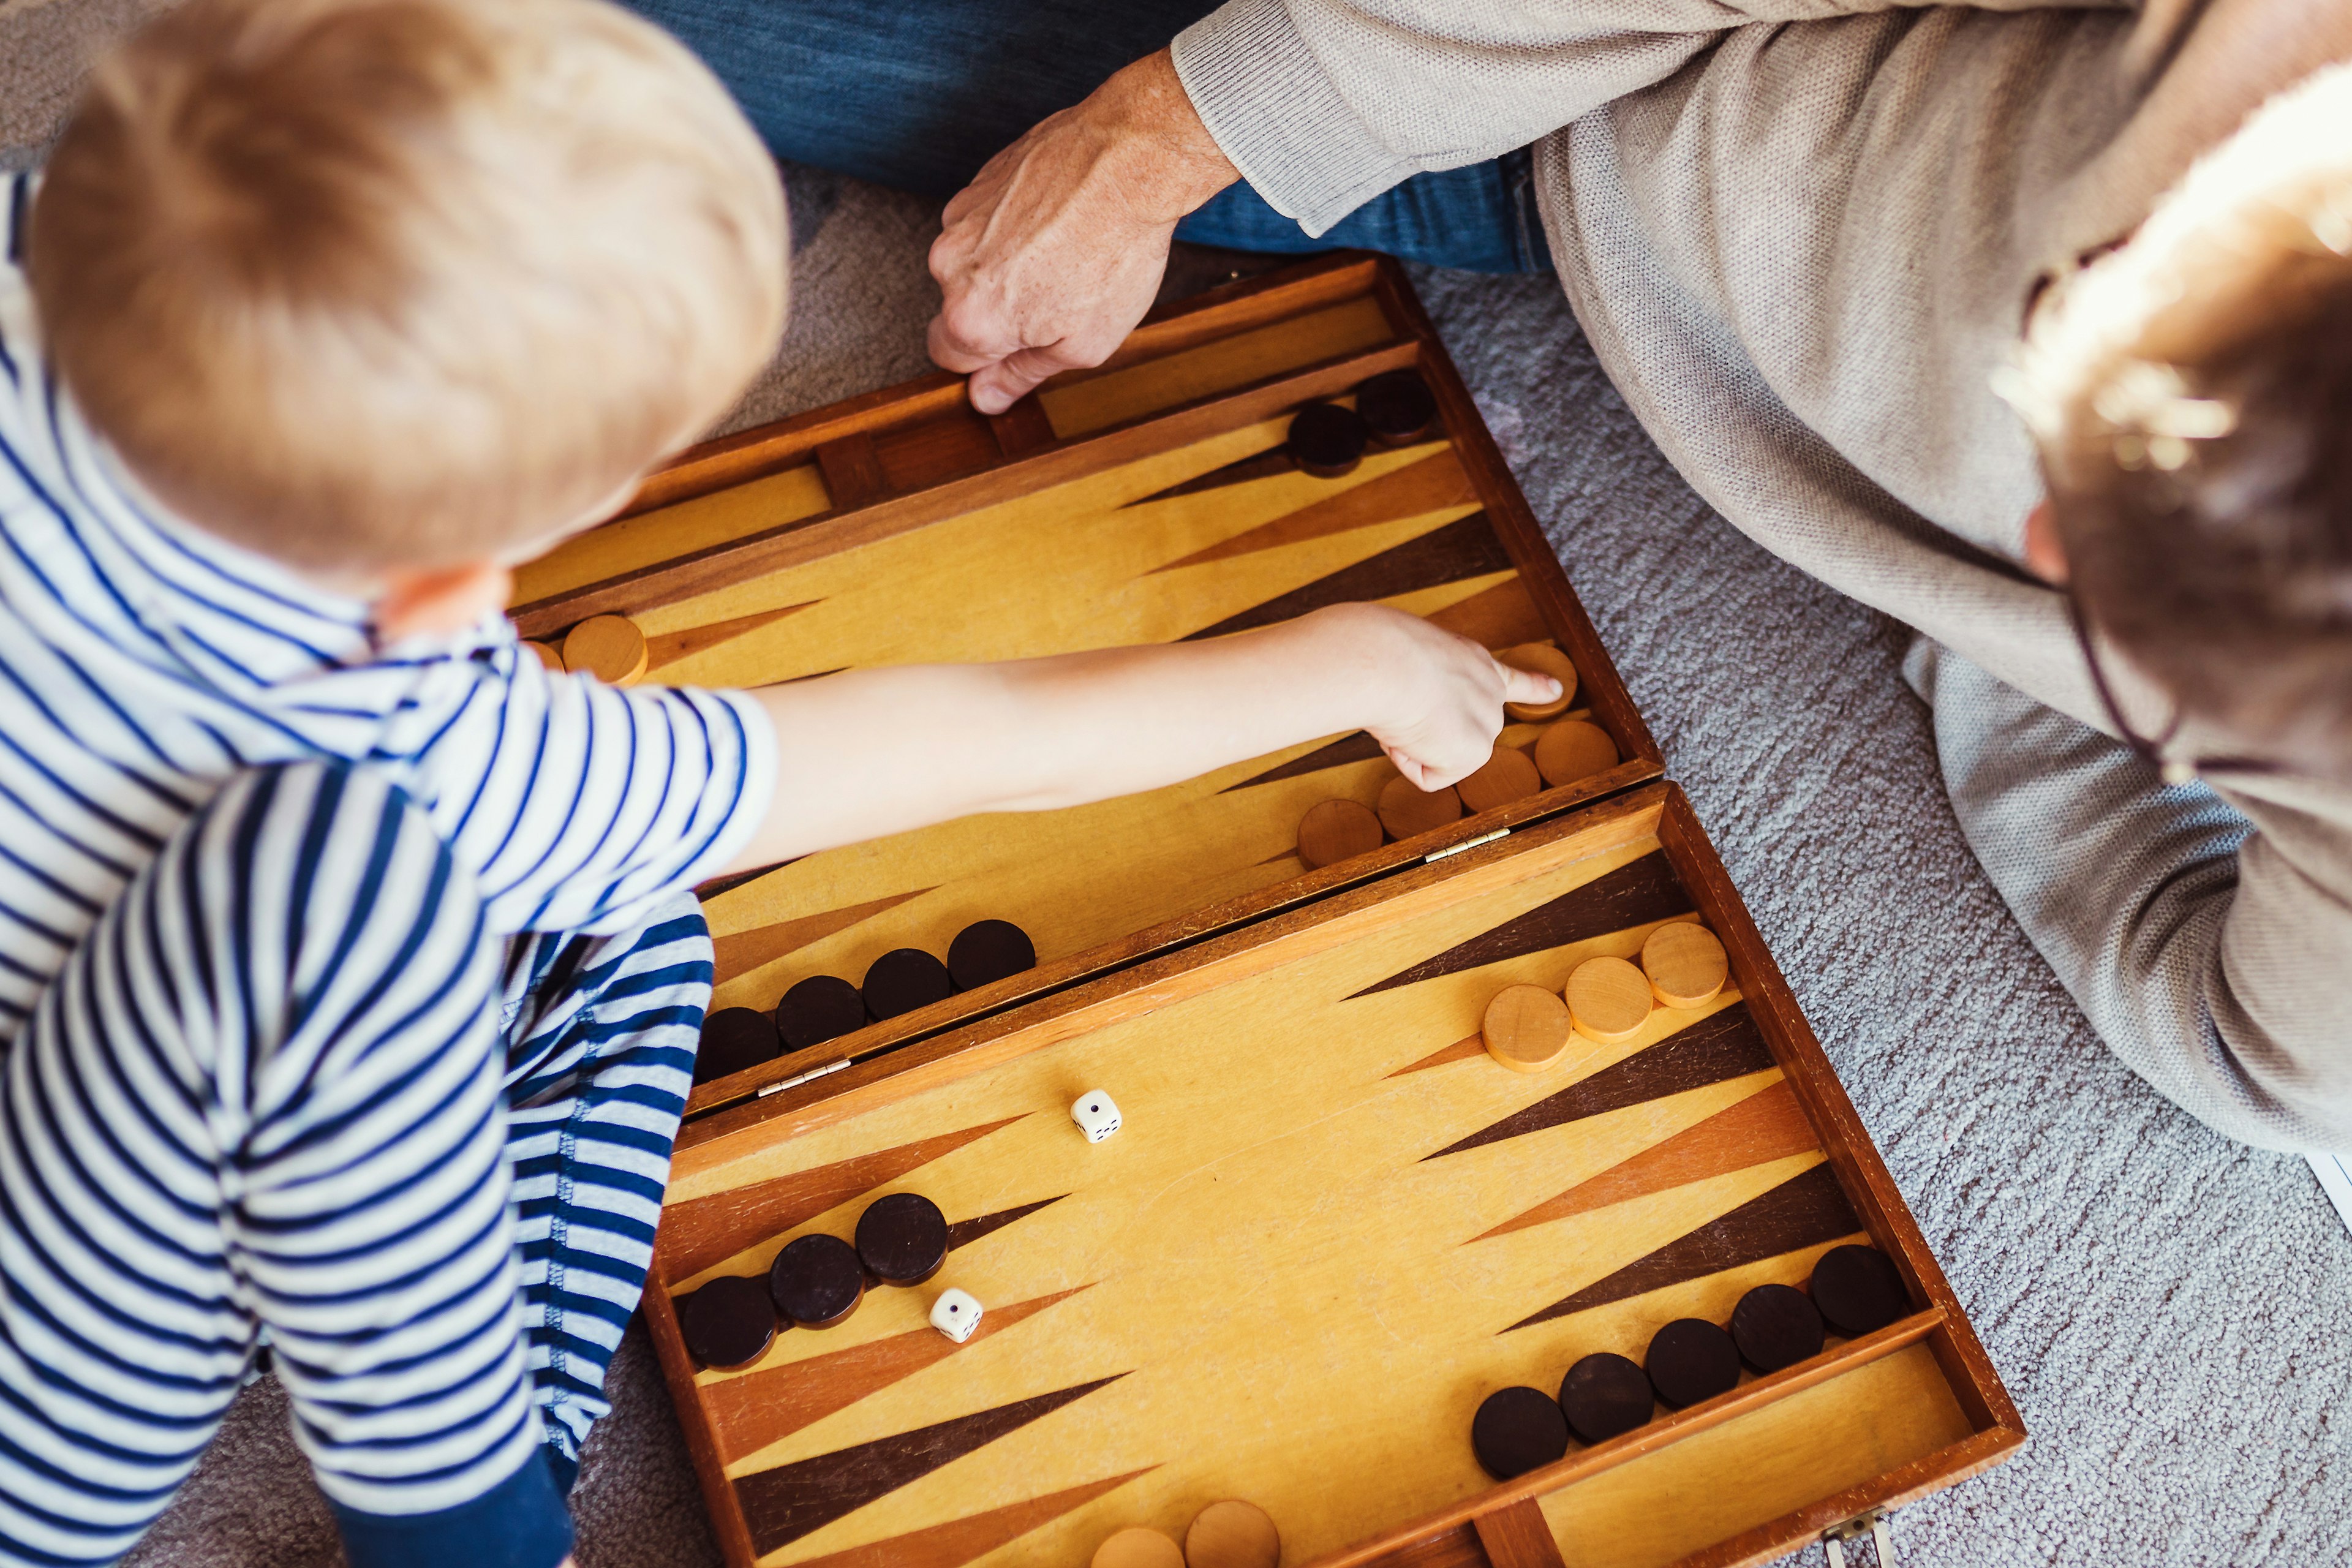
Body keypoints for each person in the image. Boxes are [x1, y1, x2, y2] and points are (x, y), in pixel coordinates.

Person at [0, 0, 1553, 1563]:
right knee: (546, 917)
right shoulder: (442, 751)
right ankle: (472, 1520)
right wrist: (1361, 661)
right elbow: (984, 737)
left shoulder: (33, 234)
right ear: (457, 563)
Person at [617, 0, 2352, 1153]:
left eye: (2150, 665)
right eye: (2083, 311)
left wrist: (2005, 636)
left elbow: (2256, 1051)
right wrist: (1175, 125)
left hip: (1536, 197)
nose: (2031, 567)